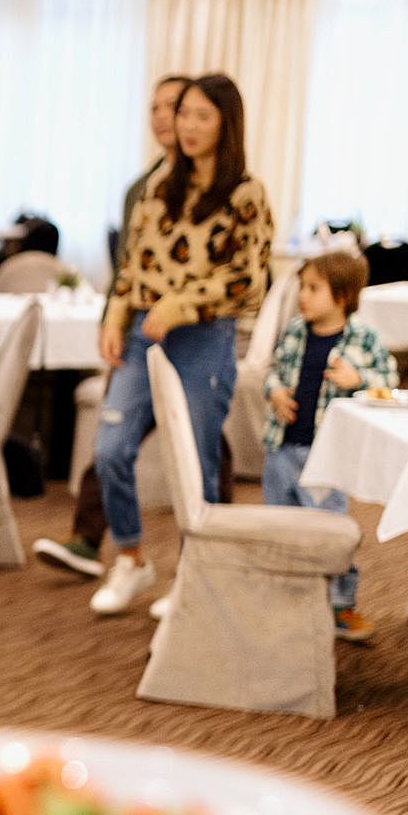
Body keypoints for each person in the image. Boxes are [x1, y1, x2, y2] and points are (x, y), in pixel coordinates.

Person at [87, 73, 274, 617]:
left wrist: (182, 306)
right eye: (182, 113)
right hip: (147, 330)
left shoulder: (245, 194)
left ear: (225, 124)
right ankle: (131, 558)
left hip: (202, 337)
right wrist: (118, 313)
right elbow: (133, 265)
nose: (185, 126)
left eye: (200, 116)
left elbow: (250, 281)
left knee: (195, 461)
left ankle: (198, 572)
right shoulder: (159, 188)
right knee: (109, 450)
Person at [36, 73, 192, 580]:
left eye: (173, 106)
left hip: (191, 335)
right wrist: (112, 320)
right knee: (113, 435)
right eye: (154, 107)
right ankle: (90, 540)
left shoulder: (214, 186)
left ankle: (213, 549)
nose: (162, 116)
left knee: (203, 443)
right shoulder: (138, 189)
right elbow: (129, 268)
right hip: (136, 329)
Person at [262, 249, 393, 642]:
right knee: (279, 527)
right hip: (282, 449)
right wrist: (275, 394)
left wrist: (358, 379)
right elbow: (273, 371)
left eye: (313, 288)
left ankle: (340, 604)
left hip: (328, 455)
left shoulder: (362, 338)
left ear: (342, 295)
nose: (302, 295)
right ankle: (285, 598)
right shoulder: (294, 332)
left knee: (330, 531)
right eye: (303, 286)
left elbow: (389, 382)